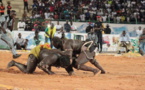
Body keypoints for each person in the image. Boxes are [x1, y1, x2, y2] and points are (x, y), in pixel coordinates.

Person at [7, 43, 72, 75]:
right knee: (28, 71)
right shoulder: (53, 57)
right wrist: (50, 73)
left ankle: (29, 64)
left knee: (47, 64)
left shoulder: (60, 55)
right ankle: (14, 63)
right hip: (35, 54)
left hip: (42, 55)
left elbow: (58, 51)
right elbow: (41, 66)